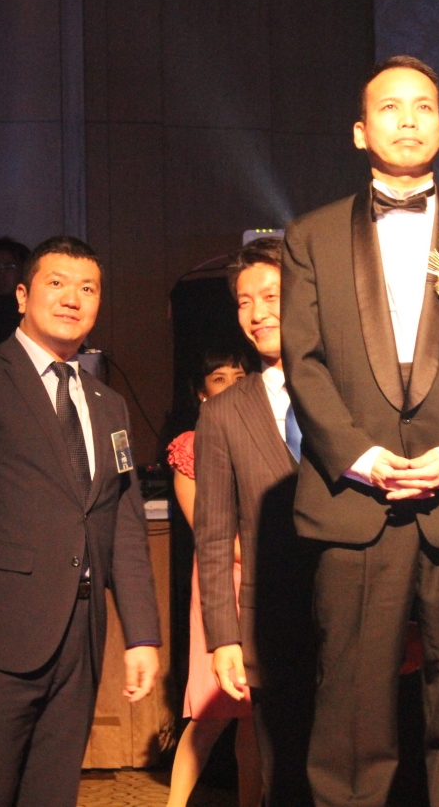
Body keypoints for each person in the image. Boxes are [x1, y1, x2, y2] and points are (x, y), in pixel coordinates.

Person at [282, 56, 439, 807]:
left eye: (423, 106)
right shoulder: (310, 237)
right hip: (353, 502)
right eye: (390, 107)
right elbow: (303, 363)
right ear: (361, 131)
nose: (407, 119)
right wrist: (360, 456)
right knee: (350, 710)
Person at [0, 236, 161, 807]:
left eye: (87, 288)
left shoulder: (109, 403)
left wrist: (141, 634)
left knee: (52, 794)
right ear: (22, 296)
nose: (72, 298)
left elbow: (123, 525)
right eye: (56, 283)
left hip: (79, 637)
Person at [197, 237, 318, 806]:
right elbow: (213, 534)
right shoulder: (224, 413)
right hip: (271, 627)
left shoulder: (351, 395)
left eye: (271, 296)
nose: (257, 313)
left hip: (358, 618)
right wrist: (224, 637)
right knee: (285, 779)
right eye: (244, 302)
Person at [164, 346, 259, 807]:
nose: (232, 386)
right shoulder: (192, 445)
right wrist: (265, 558)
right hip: (224, 581)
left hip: (264, 584)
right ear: (201, 393)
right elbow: (208, 531)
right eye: (220, 378)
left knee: (255, 715)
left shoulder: (265, 437)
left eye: (240, 377)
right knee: (211, 711)